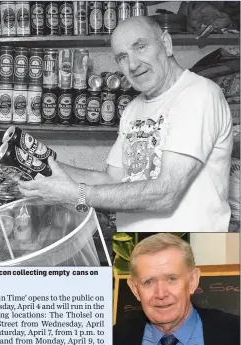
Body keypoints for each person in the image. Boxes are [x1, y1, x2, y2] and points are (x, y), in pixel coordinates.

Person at [18, 16, 233, 232]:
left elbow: (166, 193)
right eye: (122, 57)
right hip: (136, 248)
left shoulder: (198, 94)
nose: (132, 64)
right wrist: (39, 165)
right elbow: (112, 179)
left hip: (192, 251)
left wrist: (77, 194)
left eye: (140, 47)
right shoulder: (134, 109)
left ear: (166, 44)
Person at [113, 233, 240, 345]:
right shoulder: (114, 341)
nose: (161, 294)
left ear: (192, 281)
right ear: (135, 289)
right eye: (148, 282)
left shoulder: (235, 336)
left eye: (171, 279)